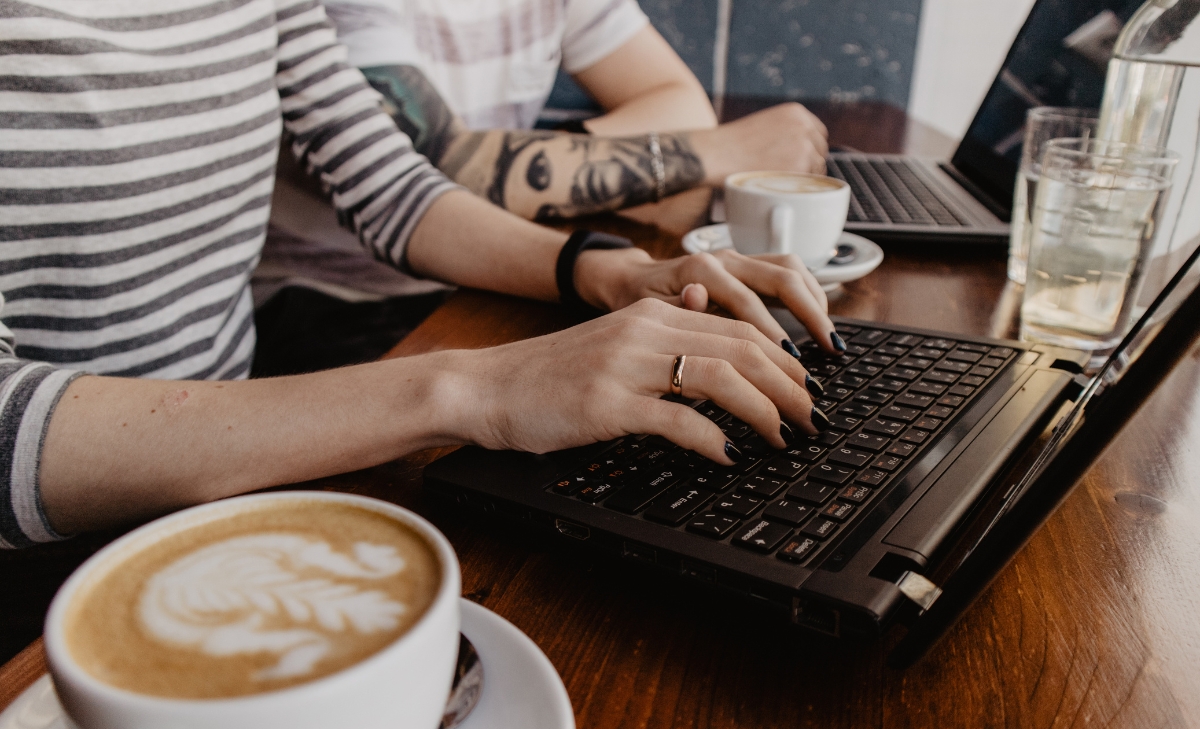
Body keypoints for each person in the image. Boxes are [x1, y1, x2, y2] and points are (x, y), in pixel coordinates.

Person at [0, 0, 842, 550]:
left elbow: (392, 187)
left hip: (222, 483)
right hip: (46, 557)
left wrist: (607, 271)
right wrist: (470, 387)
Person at [256, 0, 831, 336]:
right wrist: (718, 153)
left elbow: (677, 100)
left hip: (495, 268)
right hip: (330, 305)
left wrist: (535, 168)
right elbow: (422, 173)